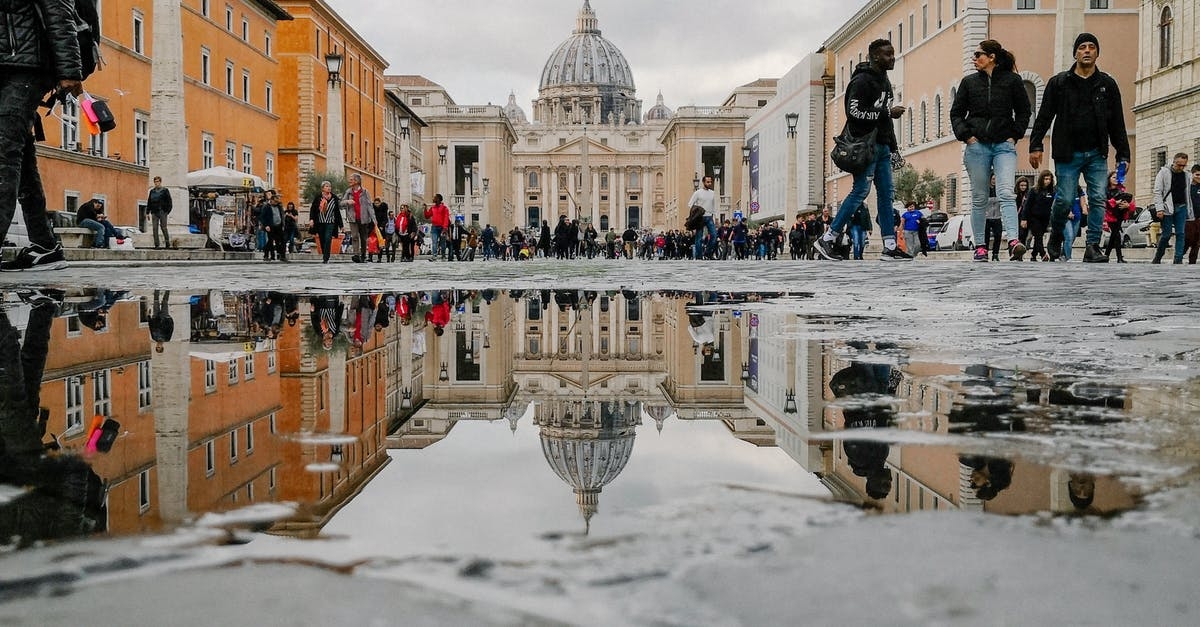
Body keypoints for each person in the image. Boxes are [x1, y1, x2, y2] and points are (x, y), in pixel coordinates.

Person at [1028, 33, 1130, 263]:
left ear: (1097, 53)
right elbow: (1044, 116)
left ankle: (1092, 246)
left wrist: (1123, 154)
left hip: (1096, 153)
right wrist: (1035, 144)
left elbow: (1117, 122)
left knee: (1098, 197)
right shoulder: (1059, 83)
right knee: (1064, 199)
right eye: (1082, 47)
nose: (1087, 51)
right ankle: (1056, 235)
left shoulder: (1107, 84)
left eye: (1091, 47)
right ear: (1075, 53)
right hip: (1067, 153)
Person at [0, 0, 82, 272]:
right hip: (7, 64)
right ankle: (45, 246)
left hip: (27, 66)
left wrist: (69, 70)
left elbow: (59, 11)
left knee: (3, 152)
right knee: (19, 159)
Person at [814, 39, 910, 261]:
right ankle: (828, 238)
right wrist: (887, 113)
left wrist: (893, 147)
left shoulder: (885, 81)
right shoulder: (861, 81)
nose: (892, 58)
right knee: (860, 191)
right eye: (888, 54)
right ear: (875, 56)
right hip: (864, 146)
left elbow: (885, 121)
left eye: (893, 54)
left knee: (886, 194)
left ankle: (889, 245)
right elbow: (854, 112)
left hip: (882, 146)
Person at [951, 39, 1031, 263]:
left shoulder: (1012, 81)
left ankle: (1014, 241)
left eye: (978, 55)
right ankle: (980, 247)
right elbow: (956, 113)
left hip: (1004, 145)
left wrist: (1014, 135)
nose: (974, 58)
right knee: (979, 198)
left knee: (1006, 192)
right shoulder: (969, 82)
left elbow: (1024, 110)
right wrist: (968, 137)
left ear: (992, 57)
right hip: (977, 146)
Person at [1151, 153, 1193, 264]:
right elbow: (1157, 191)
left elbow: (1188, 193)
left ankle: (1178, 259)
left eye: (1183, 165)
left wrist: (1189, 209)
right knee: (1166, 234)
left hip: (1182, 206)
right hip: (1167, 207)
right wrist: (1159, 208)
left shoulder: (1186, 175)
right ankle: (1158, 257)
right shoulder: (1164, 172)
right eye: (1179, 165)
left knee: (1180, 233)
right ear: (1174, 162)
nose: (1181, 168)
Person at [1022, 171, 1056, 262]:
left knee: (1039, 236)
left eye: (1049, 179)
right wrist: (1024, 218)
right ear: (1041, 179)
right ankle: (1042, 254)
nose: (1047, 181)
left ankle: (1034, 254)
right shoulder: (1034, 190)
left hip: (1045, 218)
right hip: (1034, 217)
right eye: (1045, 179)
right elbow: (1027, 205)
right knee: (1038, 236)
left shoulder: (1052, 191)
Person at [341, 173, 374, 263]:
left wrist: (374, 219)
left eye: (351, 179)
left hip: (364, 218)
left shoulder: (365, 192)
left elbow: (370, 206)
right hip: (353, 218)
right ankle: (356, 254)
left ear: (357, 181)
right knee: (355, 236)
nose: (349, 181)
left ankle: (363, 255)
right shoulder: (348, 192)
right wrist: (347, 201)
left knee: (363, 238)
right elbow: (341, 203)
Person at [308, 180, 343, 264]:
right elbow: (313, 209)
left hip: (330, 222)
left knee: (328, 238)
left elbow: (337, 212)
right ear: (322, 188)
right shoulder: (318, 198)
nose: (329, 188)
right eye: (326, 186)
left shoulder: (334, 198)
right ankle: (325, 253)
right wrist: (311, 219)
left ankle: (326, 258)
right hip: (320, 222)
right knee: (322, 239)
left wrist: (341, 225)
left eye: (329, 186)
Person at [686, 175, 718, 259]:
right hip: (700, 217)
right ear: (703, 182)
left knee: (714, 235)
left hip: (709, 216)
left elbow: (714, 205)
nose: (709, 183)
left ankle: (707, 253)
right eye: (708, 182)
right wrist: (697, 210)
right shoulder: (698, 193)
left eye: (710, 182)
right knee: (699, 237)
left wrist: (716, 217)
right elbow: (690, 204)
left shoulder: (712, 193)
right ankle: (699, 256)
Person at [1103, 191, 1133, 263]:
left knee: (1113, 237)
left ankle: (1106, 256)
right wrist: (1116, 202)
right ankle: (1119, 258)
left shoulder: (1120, 190)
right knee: (1117, 236)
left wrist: (1128, 205)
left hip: (1119, 217)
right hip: (1111, 217)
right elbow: (1104, 202)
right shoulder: (1106, 190)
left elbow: (1132, 206)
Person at [259, 191, 288, 262]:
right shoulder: (266, 207)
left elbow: (281, 215)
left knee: (282, 240)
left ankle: (282, 256)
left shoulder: (279, 206)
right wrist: (266, 225)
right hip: (270, 226)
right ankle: (266, 255)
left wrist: (283, 224)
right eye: (275, 201)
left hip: (279, 226)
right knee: (270, 241)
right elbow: (262, 217)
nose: (276, 203)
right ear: (271, 200)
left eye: (277, 202)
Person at [146, 175, 173, 249]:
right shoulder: (152, 191)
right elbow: (149, 202)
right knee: (155, 228)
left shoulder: (165, 190)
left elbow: (169, 201)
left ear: (160, 182)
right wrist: (147, 212)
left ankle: (167, 243)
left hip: (162, 211)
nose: (156, 183)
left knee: (163, 227)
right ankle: (156, 244)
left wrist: (167, 211)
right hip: (154, 212)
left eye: (157, 181)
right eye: (155, 182)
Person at [423, 194, 450, 261]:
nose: (433, 199)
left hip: (442, 228)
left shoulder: (444, 208)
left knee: (442, 243)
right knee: (434, 242)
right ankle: (434, 256)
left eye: (434, 198)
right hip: (434, 227)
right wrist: (425, 209)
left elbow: (446, 218)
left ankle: (443, 256)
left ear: (438, 199)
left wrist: (445, 228)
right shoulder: (433, 208)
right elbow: (427, 216)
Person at [1187, 165, 1200, 264]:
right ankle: (1178, 258)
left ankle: (1192, 262)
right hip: (1190, 219)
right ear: (1192, 174)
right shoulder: (1188, 188)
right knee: (1188, 240)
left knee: (1197, 243)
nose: (1199, 177)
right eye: (1197, 175)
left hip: (1199, 219)